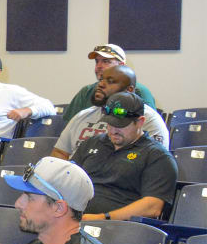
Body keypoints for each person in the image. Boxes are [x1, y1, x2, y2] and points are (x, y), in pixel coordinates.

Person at [70, 92, 177, 222]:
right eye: (109, 124)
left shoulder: (157, 157)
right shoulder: (91, 143)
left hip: (117, 227)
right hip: (73, 218)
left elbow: (152, 206)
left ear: (140, 122)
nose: (113, 130)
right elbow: (67, 180)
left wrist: (103, 218)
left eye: (121, 126)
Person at [51, 65, 169, 158]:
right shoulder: (83, 116)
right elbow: (60, 153)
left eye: (110, 81)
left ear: (129, 90)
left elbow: (155, 161)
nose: (101, 84)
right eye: (101, 79)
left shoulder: (146, 119)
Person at [61, 44, 156, 123]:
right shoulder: (87, 91)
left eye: (106, 61)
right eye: (97, 61)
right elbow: (69, 125)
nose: (99, 66)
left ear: (121, 66)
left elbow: (148, 125)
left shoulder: (139, 91)